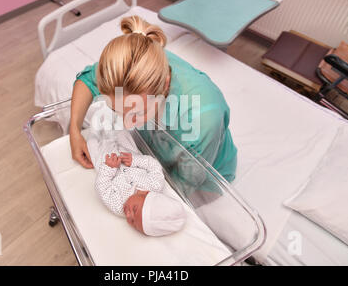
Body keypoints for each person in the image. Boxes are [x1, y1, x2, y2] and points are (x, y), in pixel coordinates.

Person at [69, 15, 238, 196]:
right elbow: (87, 80)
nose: (127, 125)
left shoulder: (202, 118)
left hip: (205, 174)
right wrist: (74, 131)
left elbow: (184, 185)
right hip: (154, 150)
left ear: (165, 85)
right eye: (117, 111)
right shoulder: (130, 66)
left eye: (137, 113)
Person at [85, 107, 186, 236]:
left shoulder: (118, 205)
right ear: (148, 197)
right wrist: (135, 161)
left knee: (94, 142)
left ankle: (95, 117)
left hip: (106, 159)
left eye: (132, 222)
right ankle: (109, 109)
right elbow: (153, 165)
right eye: (134, 209)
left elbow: (102, 187)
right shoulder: (155, 184)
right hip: (129, 152)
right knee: (121, 131)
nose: (128, 215)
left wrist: (108, 168)